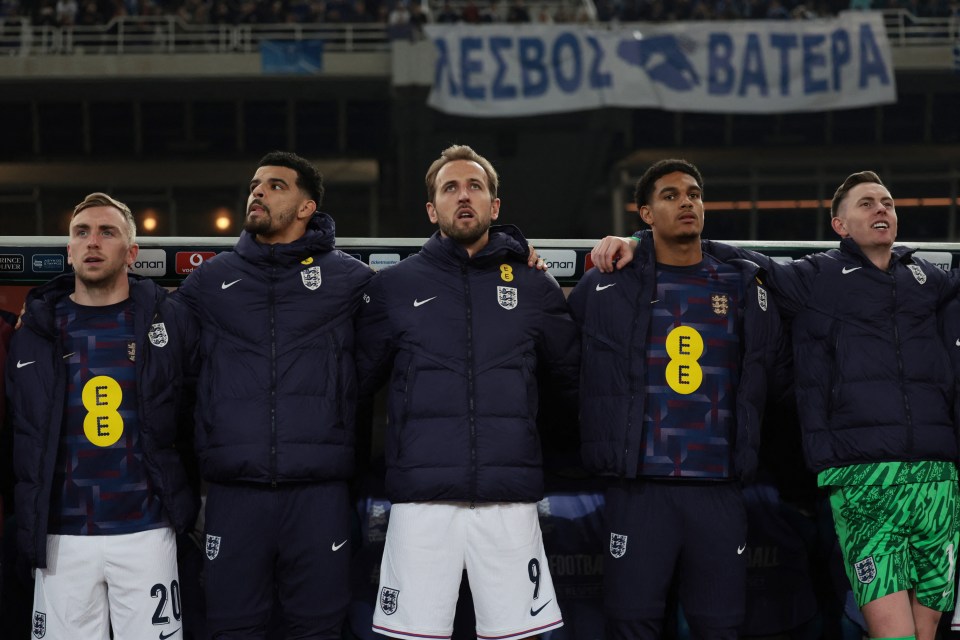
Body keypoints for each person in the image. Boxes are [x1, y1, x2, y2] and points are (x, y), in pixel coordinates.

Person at [592, 170, 960, 640]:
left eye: (887, 202)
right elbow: (728, 254)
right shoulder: (815, 277)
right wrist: (640, 240)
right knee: (895, 635)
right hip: (864, 477)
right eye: (866, 203)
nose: (881, 209)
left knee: (927, 636)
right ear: (840, 226)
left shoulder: (929, 278)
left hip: (939, 475)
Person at [354, 144, 579, 640]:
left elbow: (573, 382)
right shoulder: (394, 287)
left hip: (509, 500)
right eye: (450, 188)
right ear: (432, 209)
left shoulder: (534, 286)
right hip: (422, 502)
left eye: (475, 186)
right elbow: (354, 387)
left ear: (494, 207)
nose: (464, 196)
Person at [567, 158, 781, 640]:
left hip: (719, 486)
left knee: (721, 626)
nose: (688, 202)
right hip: (641, 489)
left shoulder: (744, 283)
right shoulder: (606, 285)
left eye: (695, 194)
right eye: (671, 195)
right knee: (631, 623)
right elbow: (566, 369)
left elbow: (775, 370)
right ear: (644, 213)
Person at [175, 151, 375, 638]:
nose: (258, 192)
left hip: (319, 493)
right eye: (255, 185)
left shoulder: (351, 281)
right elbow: (155, 338)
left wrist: (521, 258)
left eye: (275, 186)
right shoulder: (207, 284)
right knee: (231, 627)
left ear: (306, 207)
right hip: (234, 493)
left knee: (319, 628)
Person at [5, 192, 199, 639]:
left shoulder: (170, 322)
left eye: (107, 232)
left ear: (131, 252)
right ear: (69, 250)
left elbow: (196, 412)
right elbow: (20, 430)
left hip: (147, 531)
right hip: (60, 539)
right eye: (81, 232)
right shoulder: (32, 332)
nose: (93, 241)